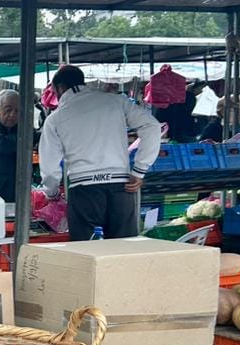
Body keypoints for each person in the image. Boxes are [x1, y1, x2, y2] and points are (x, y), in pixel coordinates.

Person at [39, 64, 162, 241]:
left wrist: (52, 193)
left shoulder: (55, 118)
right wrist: (140, 170)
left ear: (59, 88)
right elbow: (152, 126)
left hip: (83, 191)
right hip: (121, 186)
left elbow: (49, 167)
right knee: (123, 250)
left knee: (86, 251)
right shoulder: (115, 101)